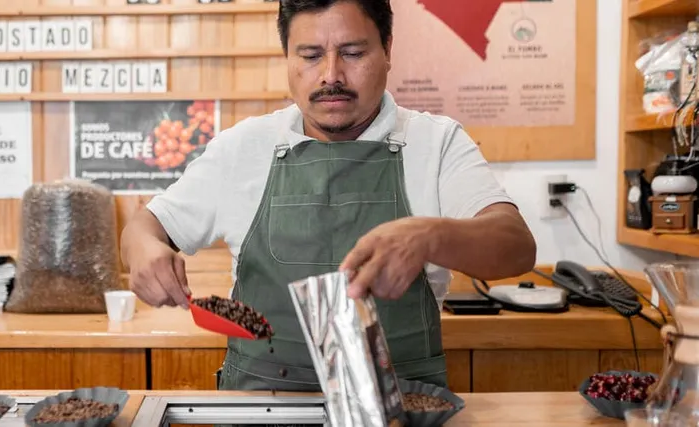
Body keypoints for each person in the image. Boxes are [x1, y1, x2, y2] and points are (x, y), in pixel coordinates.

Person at [120, 0, 537, 393]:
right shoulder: (243, 147)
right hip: (261, 410)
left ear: (387, 49)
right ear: (287, 56)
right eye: (310, 55)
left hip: (400, 407)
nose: (331, 75)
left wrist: (430, 236)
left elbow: (516, 246)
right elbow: (145, 226)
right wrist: (142, 250)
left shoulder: (436, 142)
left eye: (353, 53)